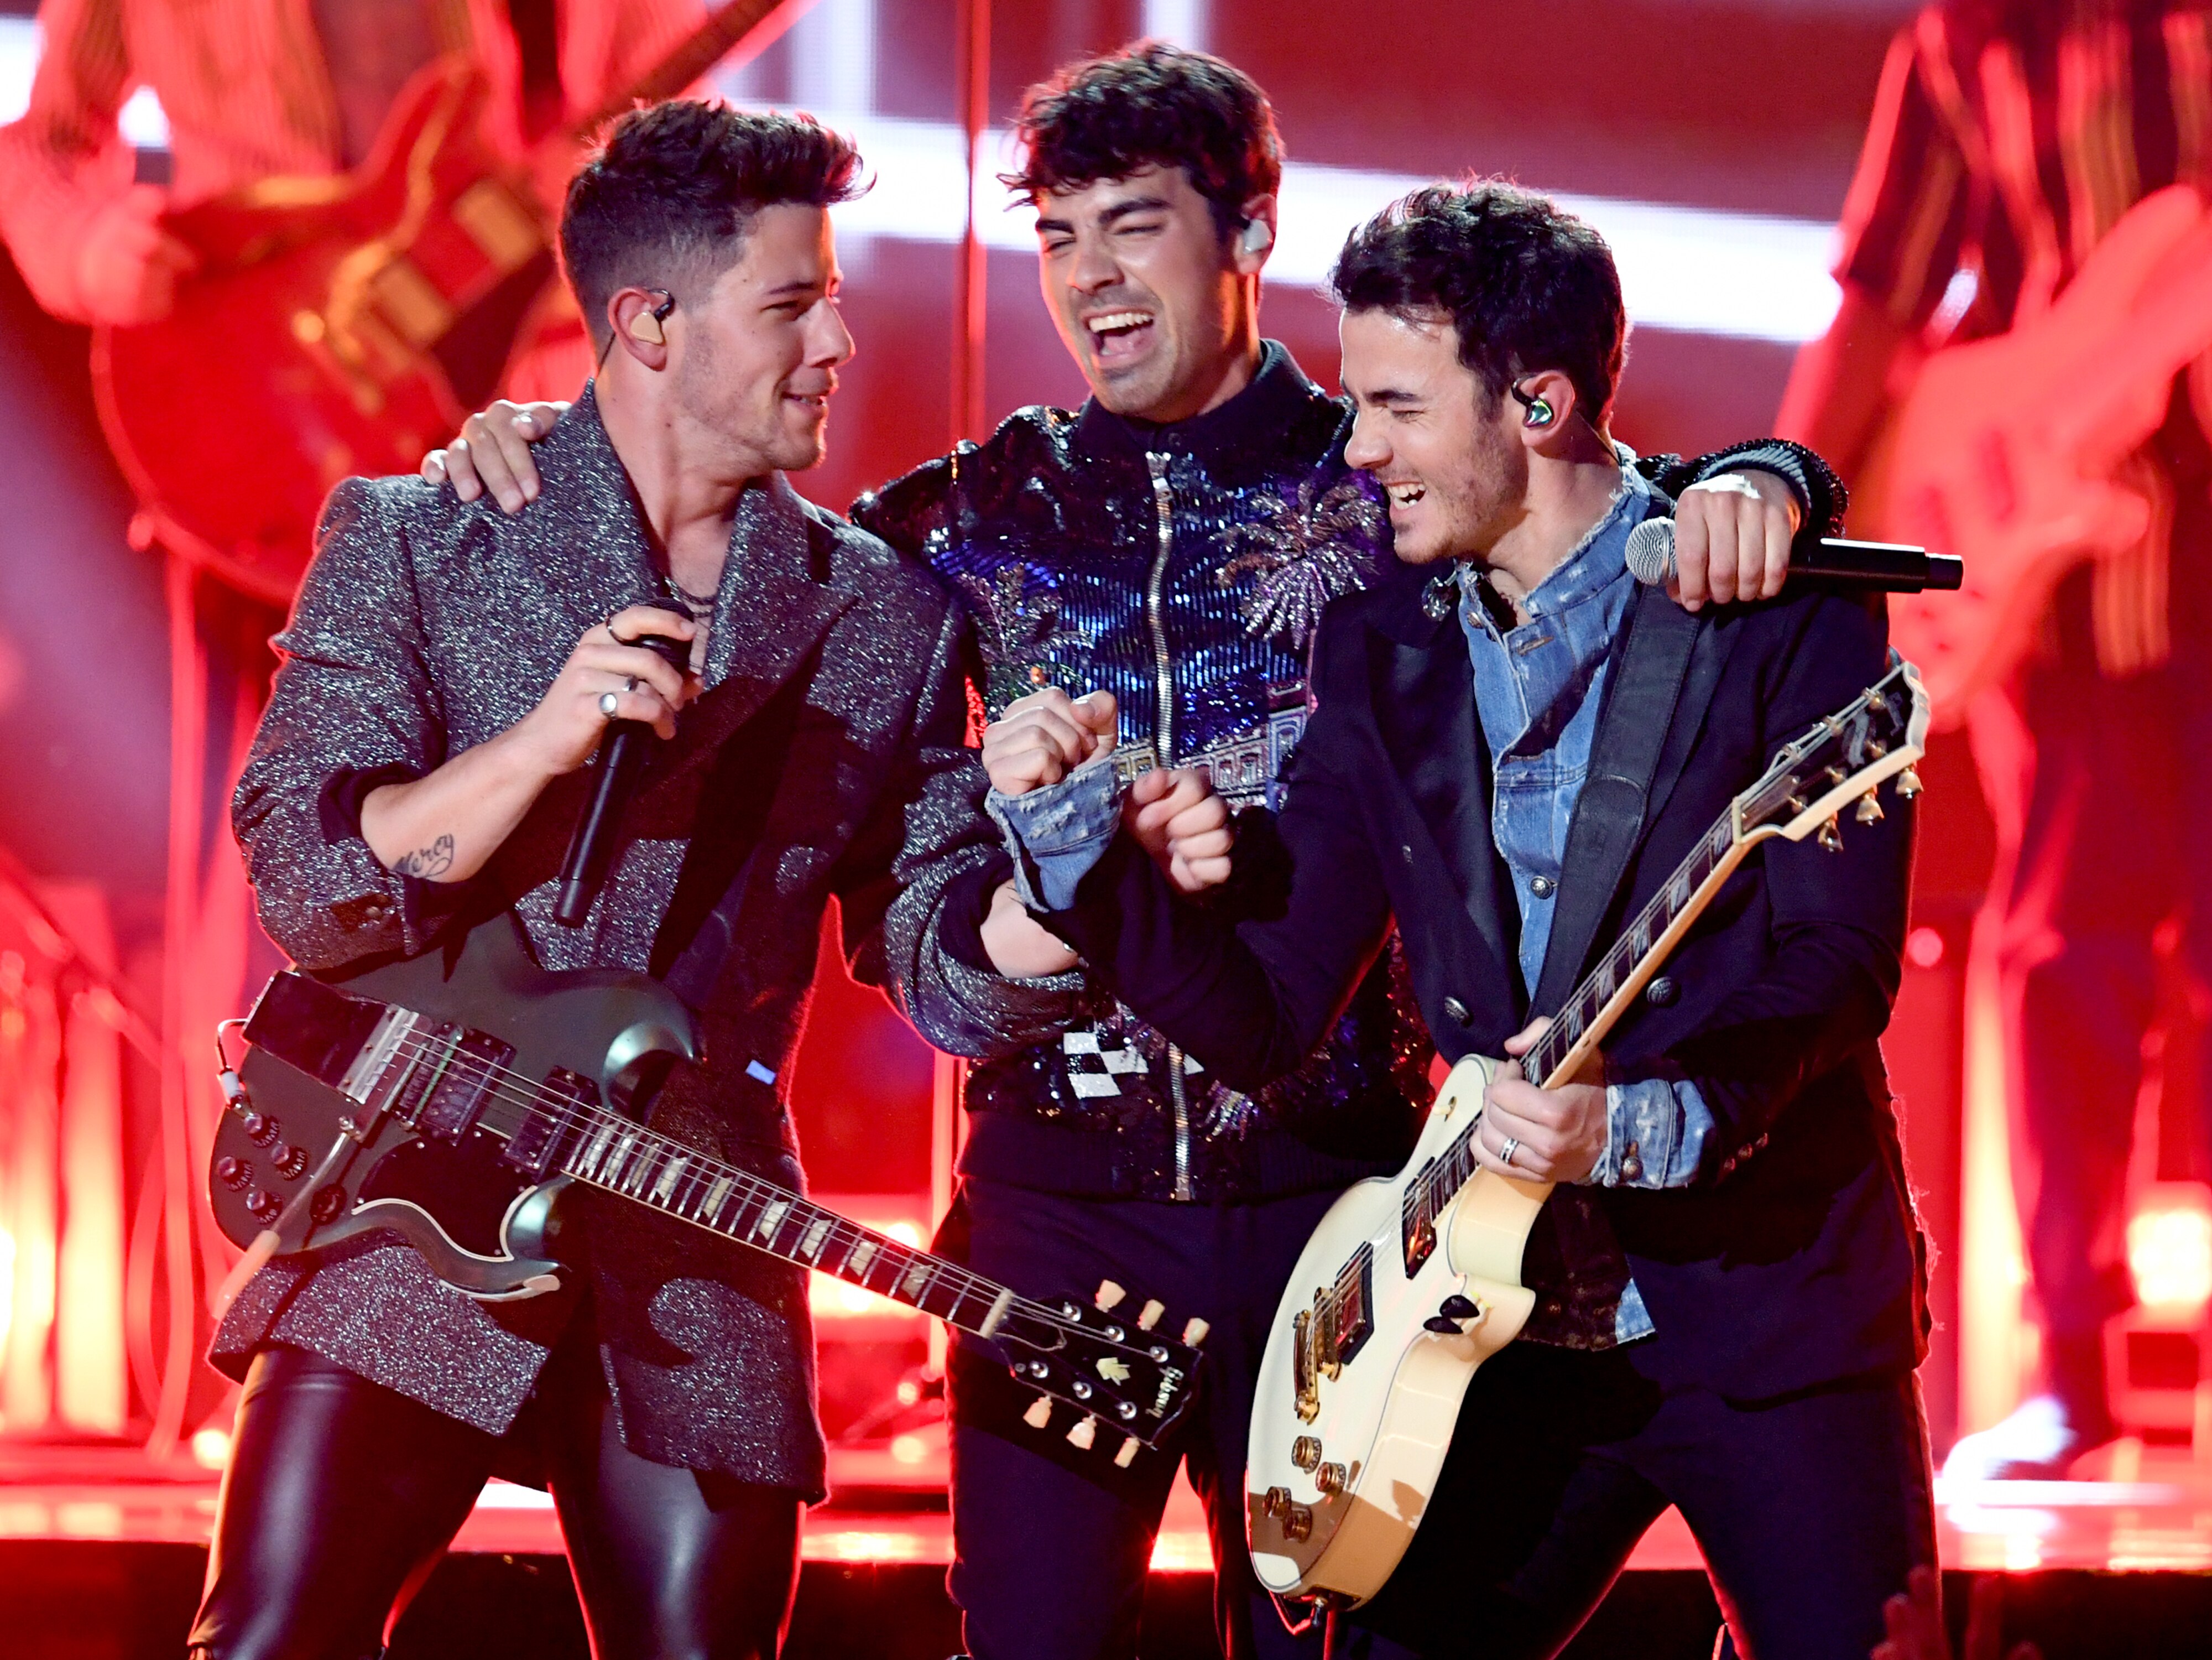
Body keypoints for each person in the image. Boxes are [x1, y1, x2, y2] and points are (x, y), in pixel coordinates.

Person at [425, 44, 1838, 1660]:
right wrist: (529, 448)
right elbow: (704, 505)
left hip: (1350, 1208)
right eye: (1060, 234)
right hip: (1055, 1223)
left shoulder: (1387, 474)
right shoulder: (961, 515)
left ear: (1248, 231)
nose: (1090, 275)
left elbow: (1616, 497)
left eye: (1136, 226)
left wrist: (1766, 470)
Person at [979, 181, 1935, 1659]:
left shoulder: (1778, 607)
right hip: (1490, 1337)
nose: (1359, 450)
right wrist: (1078, 862)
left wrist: (1639, 1127)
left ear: (1539, 404)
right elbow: (1270, 1011)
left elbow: (1837, 966)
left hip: (1771, 1320)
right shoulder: (1385, 642)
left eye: (1396, 409)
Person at [199, 102, 1015, 1660]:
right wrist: (539, 744)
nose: (840, 336)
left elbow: (937, 956)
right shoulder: (424, 531)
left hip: (694, 1227)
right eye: (791, 302)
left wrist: (1049, 878)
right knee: (267, 1641)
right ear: (645, 321)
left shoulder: (887, 614)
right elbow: (308, 881)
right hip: (411, 1185)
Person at [1775, 0, 2212, 1480]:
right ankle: (2077, 1381)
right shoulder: (1972, 37)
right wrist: (1789, 525)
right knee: (2060, 947)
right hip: (2074, 577)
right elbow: (1881, 292)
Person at [0, 0, 707, 394]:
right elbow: (42, 143)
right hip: (258, 412)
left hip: (531, 403)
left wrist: (631, 197)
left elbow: (689, 141)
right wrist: (89, 249)